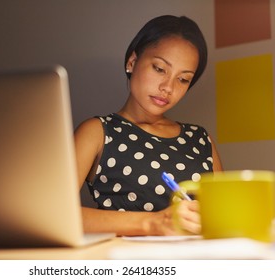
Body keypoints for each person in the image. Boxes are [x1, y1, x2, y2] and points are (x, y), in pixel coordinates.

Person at [74, 15, 223, 236]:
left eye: (183, 79)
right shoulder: (97, 131)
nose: (168, 87)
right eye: (160, 69)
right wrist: (153, 222)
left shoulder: (200, 138)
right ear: (132, 62)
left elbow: (224, 214)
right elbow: (52, 215)